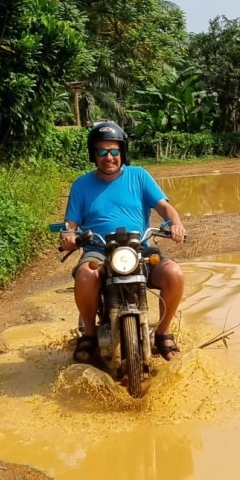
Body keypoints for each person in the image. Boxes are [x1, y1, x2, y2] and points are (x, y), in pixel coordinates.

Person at [59, 121, 187, 363]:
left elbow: (164, 207)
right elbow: (70, 224)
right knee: (85, 275)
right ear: (93, 154)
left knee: (174, 273)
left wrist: (175, 224)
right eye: (102, 151)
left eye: (114, 151)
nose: (109, 157)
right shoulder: (81, 185)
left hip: (139, 248)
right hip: (99, 250)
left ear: (122, 152)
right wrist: (68, 235)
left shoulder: (139, 176)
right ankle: (89, 334)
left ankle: (163, 332)